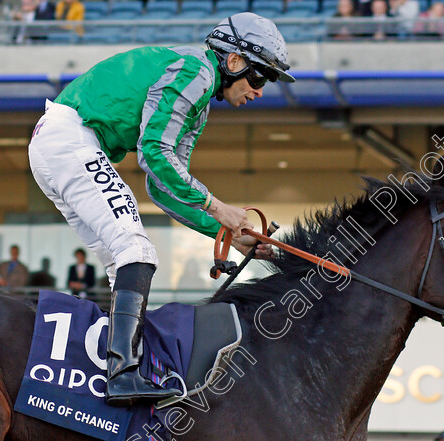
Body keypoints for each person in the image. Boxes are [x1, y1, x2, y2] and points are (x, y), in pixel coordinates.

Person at [28, 12, 290, 407]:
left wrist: (226, 232)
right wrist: (217, 206)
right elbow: (154, 153)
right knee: (137, 251)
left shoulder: (199, 99)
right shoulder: (198, 72)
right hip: (70, 138)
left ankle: (110, 370)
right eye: (258, 77)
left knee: (124, 262)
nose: (260, 90)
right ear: (233, 61)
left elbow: (162, 187)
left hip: (60, 143)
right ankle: (121, 374)